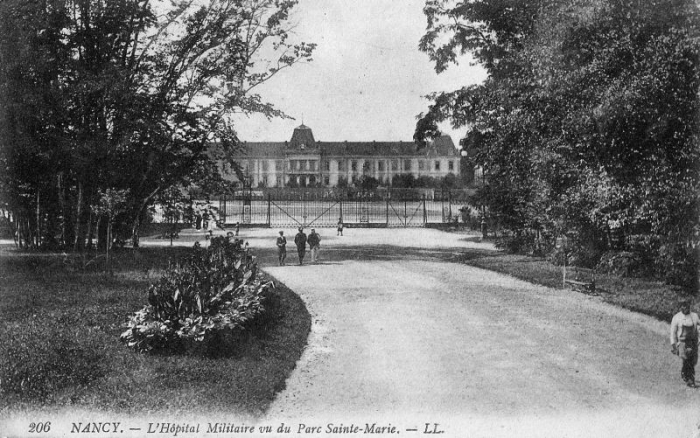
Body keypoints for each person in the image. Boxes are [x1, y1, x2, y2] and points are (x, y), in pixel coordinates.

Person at [671, 299, 700, 387]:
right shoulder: (676, 317)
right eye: (683, 305)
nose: (685, 307)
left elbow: (698, 327)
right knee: (687, 360)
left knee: (693, 361)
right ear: (680, 307)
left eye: (686, 305)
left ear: (689, 306)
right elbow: (673, 332)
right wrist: (673, 345)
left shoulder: (694, 316)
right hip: (682, 343)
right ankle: (690, 379)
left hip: (693, 342)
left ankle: (685, 372)